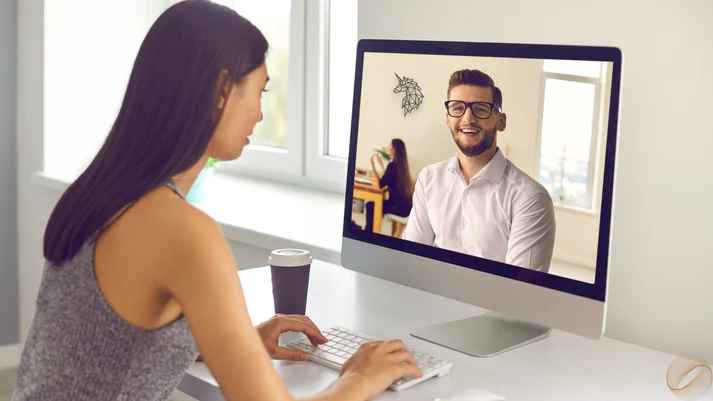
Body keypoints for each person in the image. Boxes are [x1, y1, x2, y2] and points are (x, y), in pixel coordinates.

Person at [11, 2, 421, 401]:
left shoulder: (99, 194)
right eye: (260, 91)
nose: (261, 114)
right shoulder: (182, 231)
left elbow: (104, 342)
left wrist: (233, 343)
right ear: (222, 89)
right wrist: (359, 378)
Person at [402, 69, 556, 272]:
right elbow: (410, 259)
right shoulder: (429, 178)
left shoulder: (530, 199)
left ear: (501, 121)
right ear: (447, 119)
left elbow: (520, 293)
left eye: (481, 109)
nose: (467, 118)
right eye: (457, 108)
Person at [369, 138, 413, 236]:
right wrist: (381, 166)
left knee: (371, 205)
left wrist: (373, 165)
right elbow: (388, 179)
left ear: (394, 149)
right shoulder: (402, 166)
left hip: (398, 208)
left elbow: (380, 185)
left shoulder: (392, 165)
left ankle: (370, 233)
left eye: (390, 146)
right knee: (376, 204)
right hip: (406, 207)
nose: (388, 148)